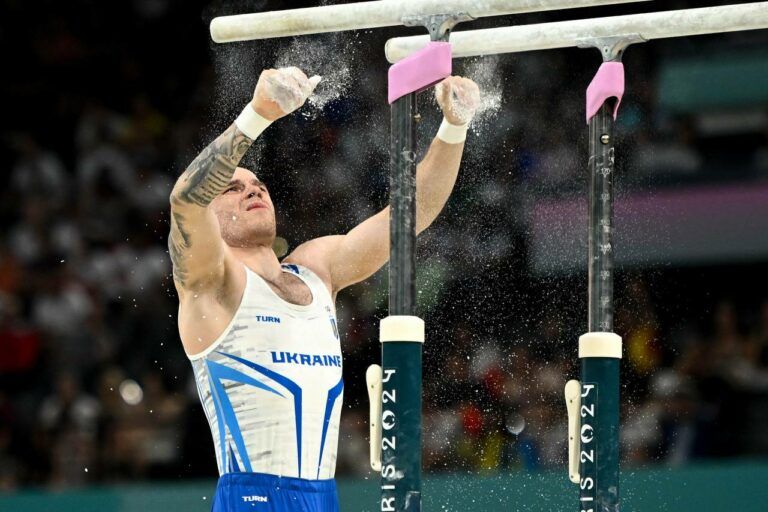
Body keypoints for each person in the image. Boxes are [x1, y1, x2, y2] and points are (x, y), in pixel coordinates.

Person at [169, 66, 480, 512]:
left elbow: (411, 215)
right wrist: (258, 114)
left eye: (258, 185)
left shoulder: (317, 268)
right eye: (233, 188)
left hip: (323, 497)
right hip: (253, 496)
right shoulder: (212, 283)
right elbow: (186, 199)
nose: (252, 192)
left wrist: (454, 126)